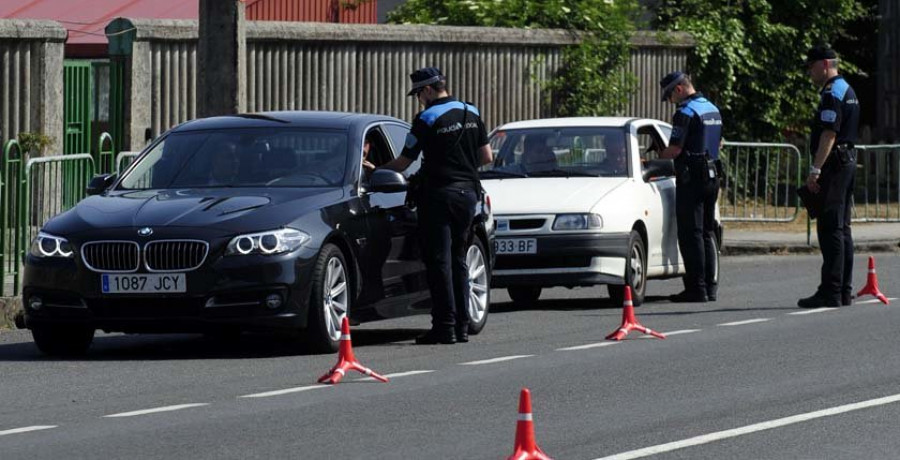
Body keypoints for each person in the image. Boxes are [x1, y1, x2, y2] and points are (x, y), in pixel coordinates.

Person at [380, 67, 493, 345]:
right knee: (458, 259)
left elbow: (403, 163)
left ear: (428, 90)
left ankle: (444, 327)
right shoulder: (472, 111)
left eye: (418, 93)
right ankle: (463, 326)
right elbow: (487, 157)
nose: (418, 99)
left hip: (439, 196)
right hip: (468, 195)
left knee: (439, 262)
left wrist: (374, 171)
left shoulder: (426, 118)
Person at [798, 46, 859, 308]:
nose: (809, 72)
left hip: (834, 166)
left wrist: (815, 170)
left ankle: (831, 291)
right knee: (842, 229)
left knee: (830, 228)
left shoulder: (832, 93)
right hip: (846, 162)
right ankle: (843, 289)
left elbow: (828, 135)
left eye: (811, 66)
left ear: (824, 64)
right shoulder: (847, 89)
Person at [659, 71, 722, 303]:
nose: (670, 102)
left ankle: (696, 288)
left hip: (692, 177)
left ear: (678, 89)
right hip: (712, 174)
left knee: (690, 233)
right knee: (706, 232)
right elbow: (719, 142)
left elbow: (674, 150)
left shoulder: (685, 112)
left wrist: (654, 159)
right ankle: (709, 287)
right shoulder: (712, 108)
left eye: (669, 96)